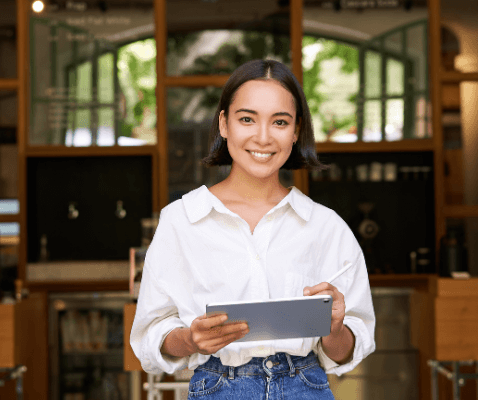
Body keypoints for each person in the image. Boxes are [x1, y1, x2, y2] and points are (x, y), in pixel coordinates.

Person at [130, 59, 375, 399]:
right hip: (217, 388)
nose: (262, 137)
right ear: (224, 124)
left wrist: (334, 327)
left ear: (295, 131)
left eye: (280, 122)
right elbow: (150, 338)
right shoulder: (181, 221)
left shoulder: (326, 226)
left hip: (306, 388)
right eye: (247, 119)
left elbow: (348, 351)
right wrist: (190, 339)